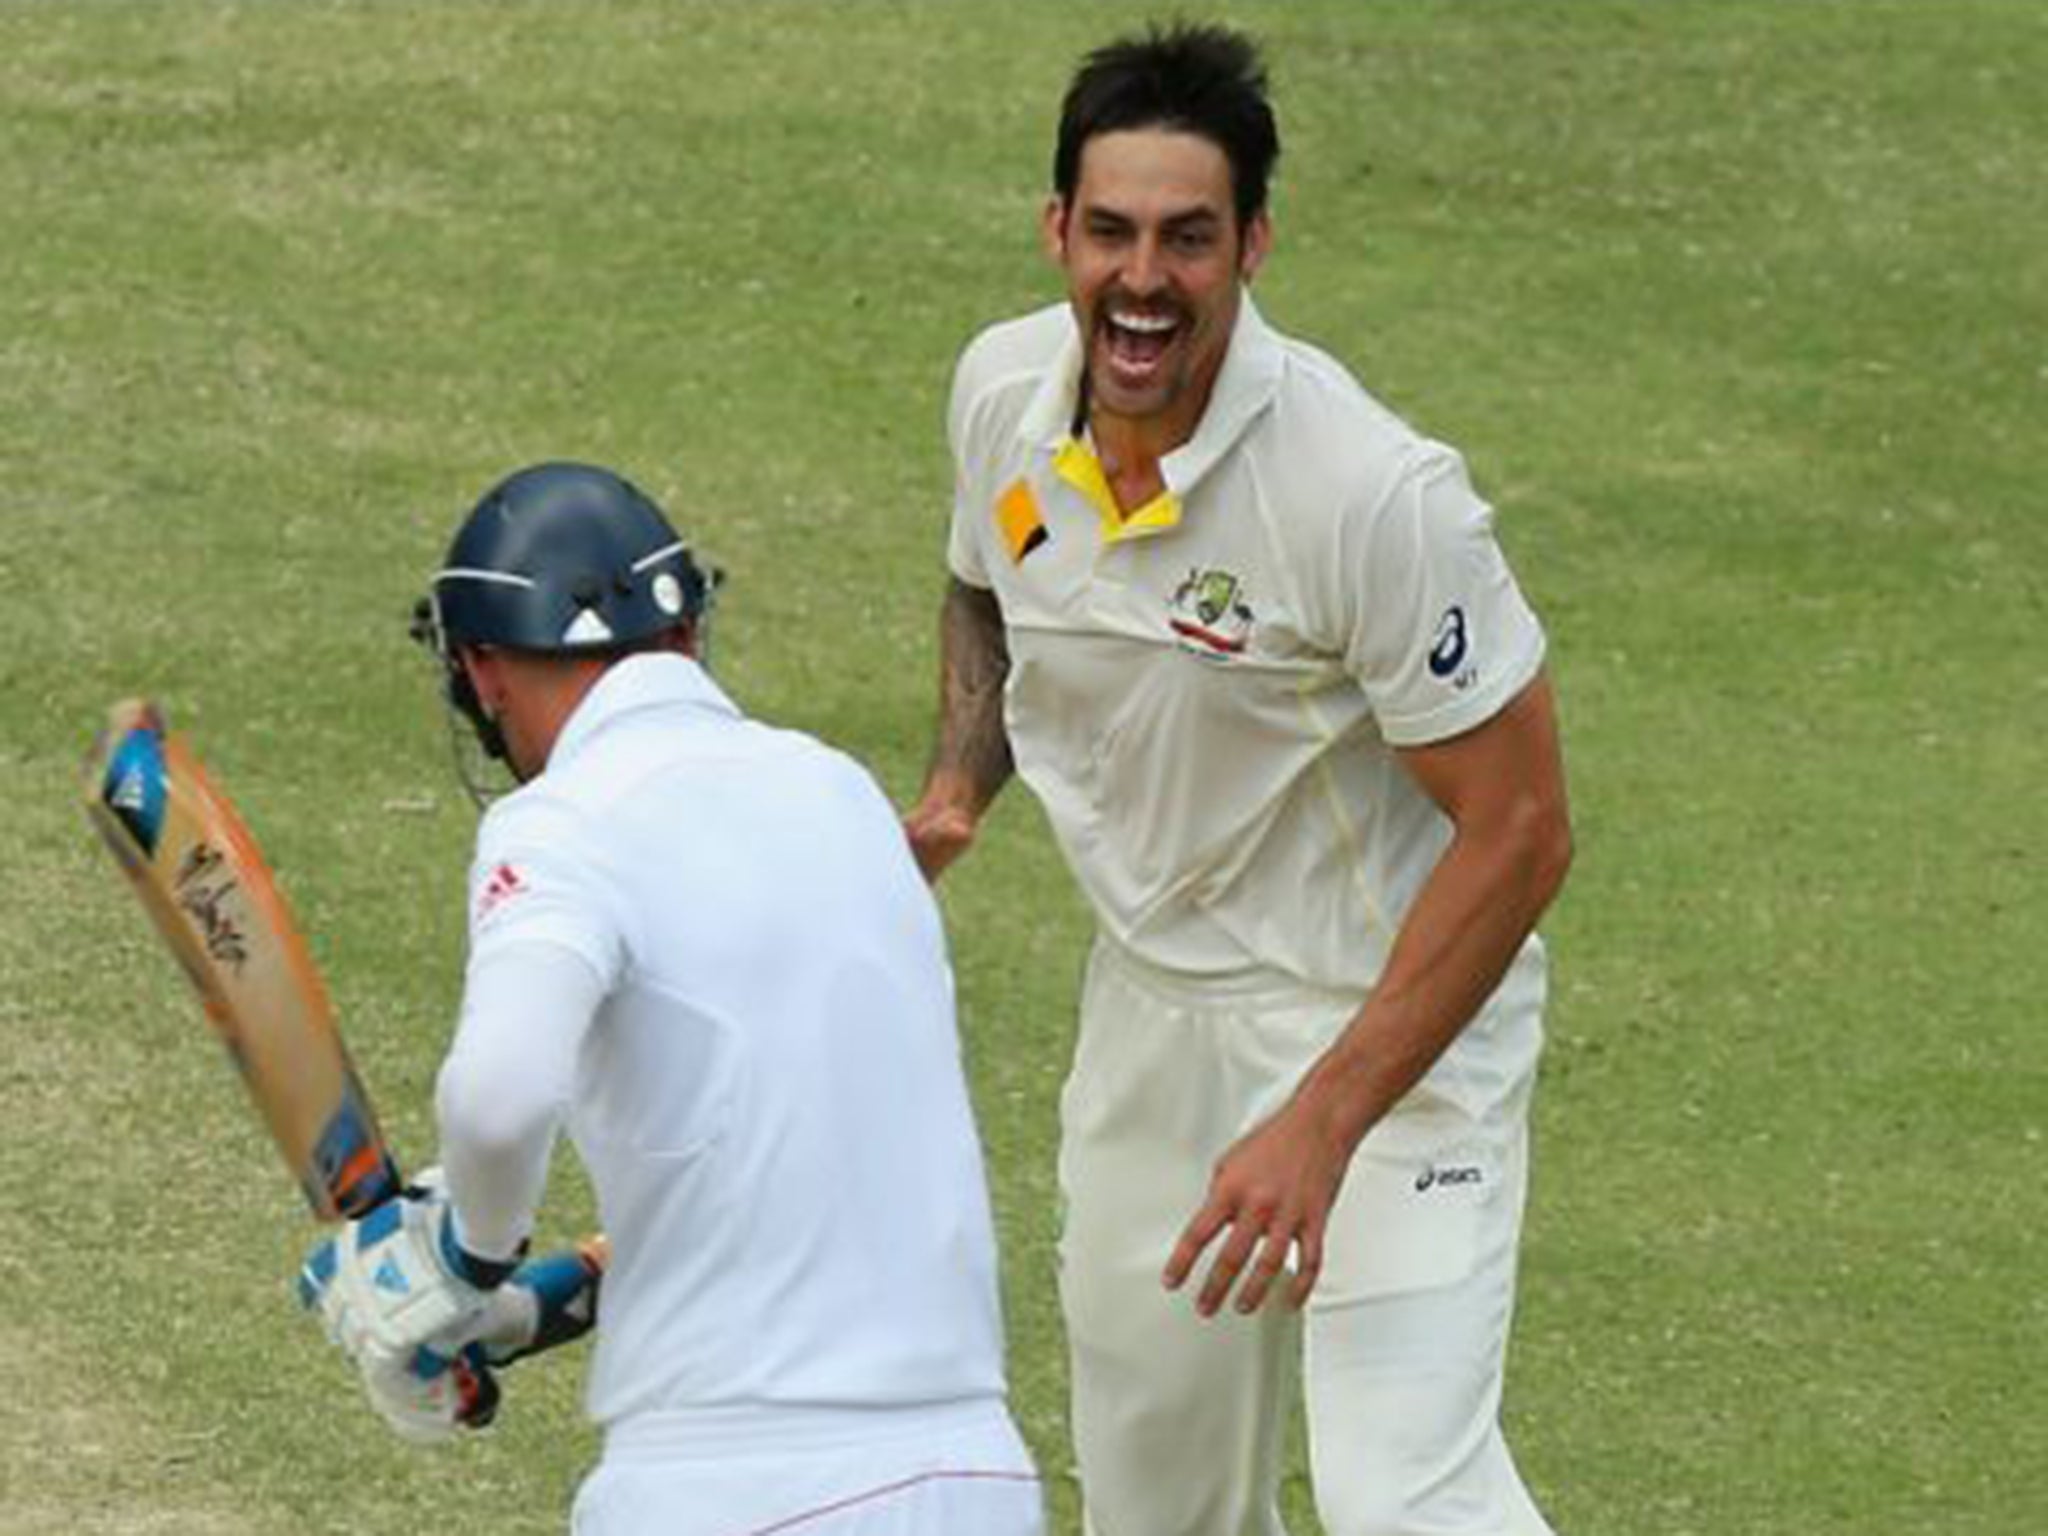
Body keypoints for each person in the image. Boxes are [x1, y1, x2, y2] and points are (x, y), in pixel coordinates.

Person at [904, 23, 1573, 1536]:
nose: (1145, 282)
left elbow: (1524, 834)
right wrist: (957, 790)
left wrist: (1323, 1122)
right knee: (1157, 1510)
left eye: (1190, 240)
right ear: (1058, 230)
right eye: (1114, 233)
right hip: (1152, 1017)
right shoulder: (1004, 394)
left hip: (1392, 1037)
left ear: (1252, 244)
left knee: (1406, 1496)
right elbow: (986, 585)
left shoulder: (1370, 494)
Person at [303, 462, 1044, 1536]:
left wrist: (459, 1258)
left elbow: (500, 1097)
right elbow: (770, 1175)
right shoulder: (838, 794)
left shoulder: (559, 825)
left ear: (483, 670)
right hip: (970, 1477)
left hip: (732, 1489)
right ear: (687, 636)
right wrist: (512, 1315)